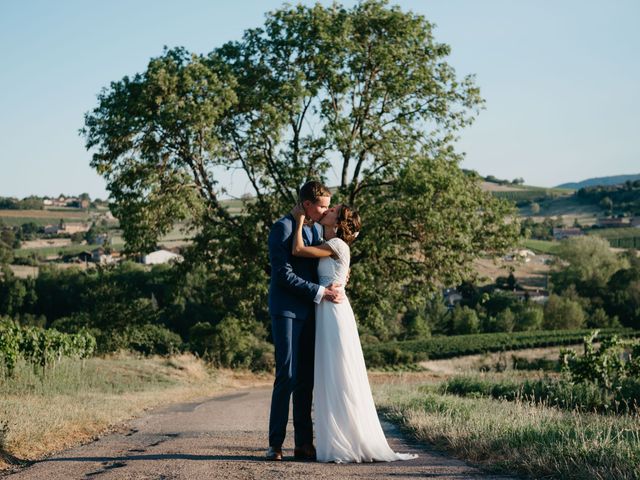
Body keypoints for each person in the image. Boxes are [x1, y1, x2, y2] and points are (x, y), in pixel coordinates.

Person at [291, 203, 418, 463]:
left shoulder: (338, 245)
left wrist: (298, 219)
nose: (327, 210)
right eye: (328, 208)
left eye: (333, 211)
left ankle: (348, 439)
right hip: (325, 309)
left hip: (334, 312)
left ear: (337, 223)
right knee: (329, 375)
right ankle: (337, 437)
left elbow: (298, 250)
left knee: (340, 373)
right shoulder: (326, 239)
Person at [265, 181, 344, 461]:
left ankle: (303, 444)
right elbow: (283, 275)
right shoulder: (282, 228)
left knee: (305, 380)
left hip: (312, 312)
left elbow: (324, 262)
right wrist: (321, 292)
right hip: (286, 310)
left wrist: (339, 277)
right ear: (307, 204)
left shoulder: (312, 229)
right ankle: (275, 444)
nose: (325, 211)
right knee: (285, 376)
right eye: (322, 206)